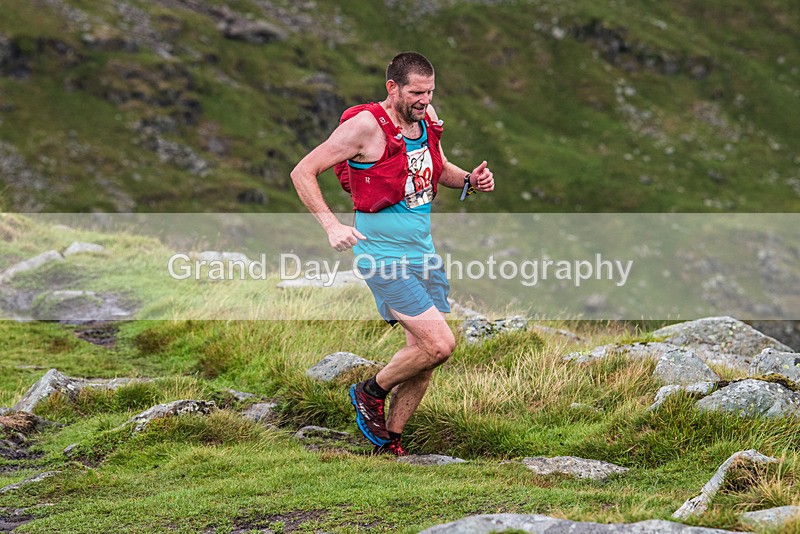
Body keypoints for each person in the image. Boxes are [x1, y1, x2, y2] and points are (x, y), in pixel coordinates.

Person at [291, 51, 494, 456]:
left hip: (423, 254)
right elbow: (302, 171)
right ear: (393, 88)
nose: (424, 100)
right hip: (382, 257)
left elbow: (435, 167)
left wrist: (469, 179)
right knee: (440, 345)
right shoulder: (363, 127)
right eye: (416, 92)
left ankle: (390, 444)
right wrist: (332, 226)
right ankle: (369, 391)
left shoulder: (425, 118)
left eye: (430, 91)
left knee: (424, 356)